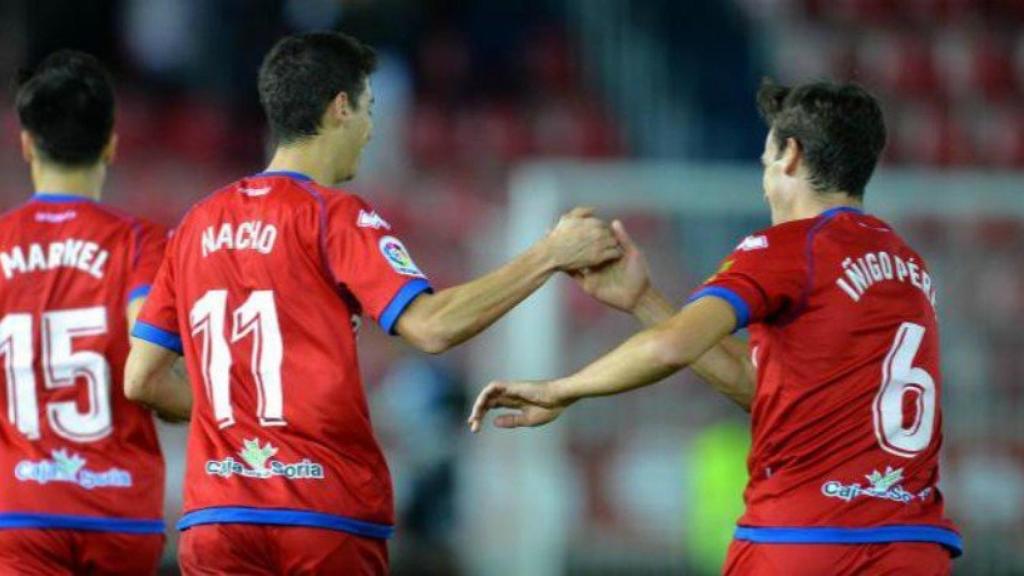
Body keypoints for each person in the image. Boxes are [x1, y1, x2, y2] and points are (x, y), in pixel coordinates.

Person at [123, 31, 621, 575]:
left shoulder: (195, 225)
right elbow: (431, 327)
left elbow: (142, 380)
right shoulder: (333, 216)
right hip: (321, 516)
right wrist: (550, 255)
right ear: (341, 107)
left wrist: (242, 427)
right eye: (369, 108)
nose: (371, 128)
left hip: (218, 518)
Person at [468, 80, 962, 575]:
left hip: (802, 540)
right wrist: (643, 300)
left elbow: (670, 347)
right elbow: (762, 386)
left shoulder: (791, 247)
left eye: (765, 161)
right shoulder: (908, 264)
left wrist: (562, 389)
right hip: (912, 547)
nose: (764, 181)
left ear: (790, 156)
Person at [0, 51, 183, 575]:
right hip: (120, 513)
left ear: (26, 144)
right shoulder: (141, 243)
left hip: (19, 512)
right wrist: (219, 409)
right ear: (111, 145)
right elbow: (149, 375)